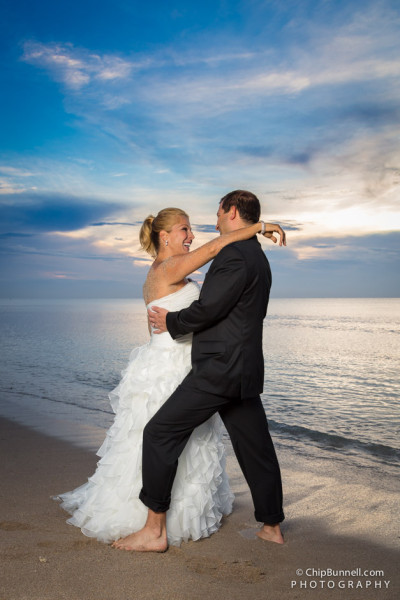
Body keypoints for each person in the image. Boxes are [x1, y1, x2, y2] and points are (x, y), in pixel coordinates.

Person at [56, 205, 285, 547]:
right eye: (184, 229)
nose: (191, 235)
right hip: (178, 370)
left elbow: (207, 303)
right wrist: (260, 227)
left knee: (225, 441)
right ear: (164, 236)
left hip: (202, 365)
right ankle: (157, 526)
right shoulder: (169, 267)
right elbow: (213, 250)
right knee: (169, 437)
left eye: (190, 229)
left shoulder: (168, 270)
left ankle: (262, 525)